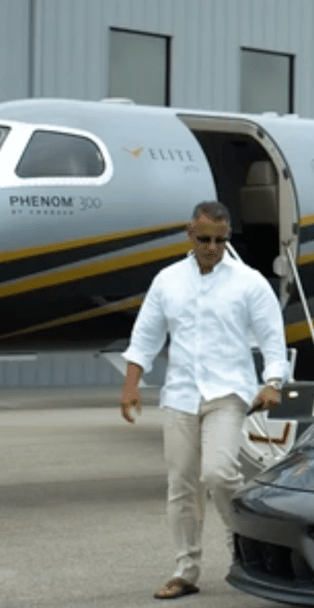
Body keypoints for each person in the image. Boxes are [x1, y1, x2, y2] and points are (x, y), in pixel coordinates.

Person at [119, 200, 289, 600]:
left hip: (228, 394)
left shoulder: (249, 282)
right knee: (180, 485)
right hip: (180, 395)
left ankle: (246, 548)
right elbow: (145, 337)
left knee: (217, 474)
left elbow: (272, 338)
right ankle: (186, 571)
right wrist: (131, 385)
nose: (212, 246)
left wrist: (274, 382)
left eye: (219, 239)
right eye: (204, 239)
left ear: (227, 237)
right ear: (189, 234)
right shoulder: (167, 281)